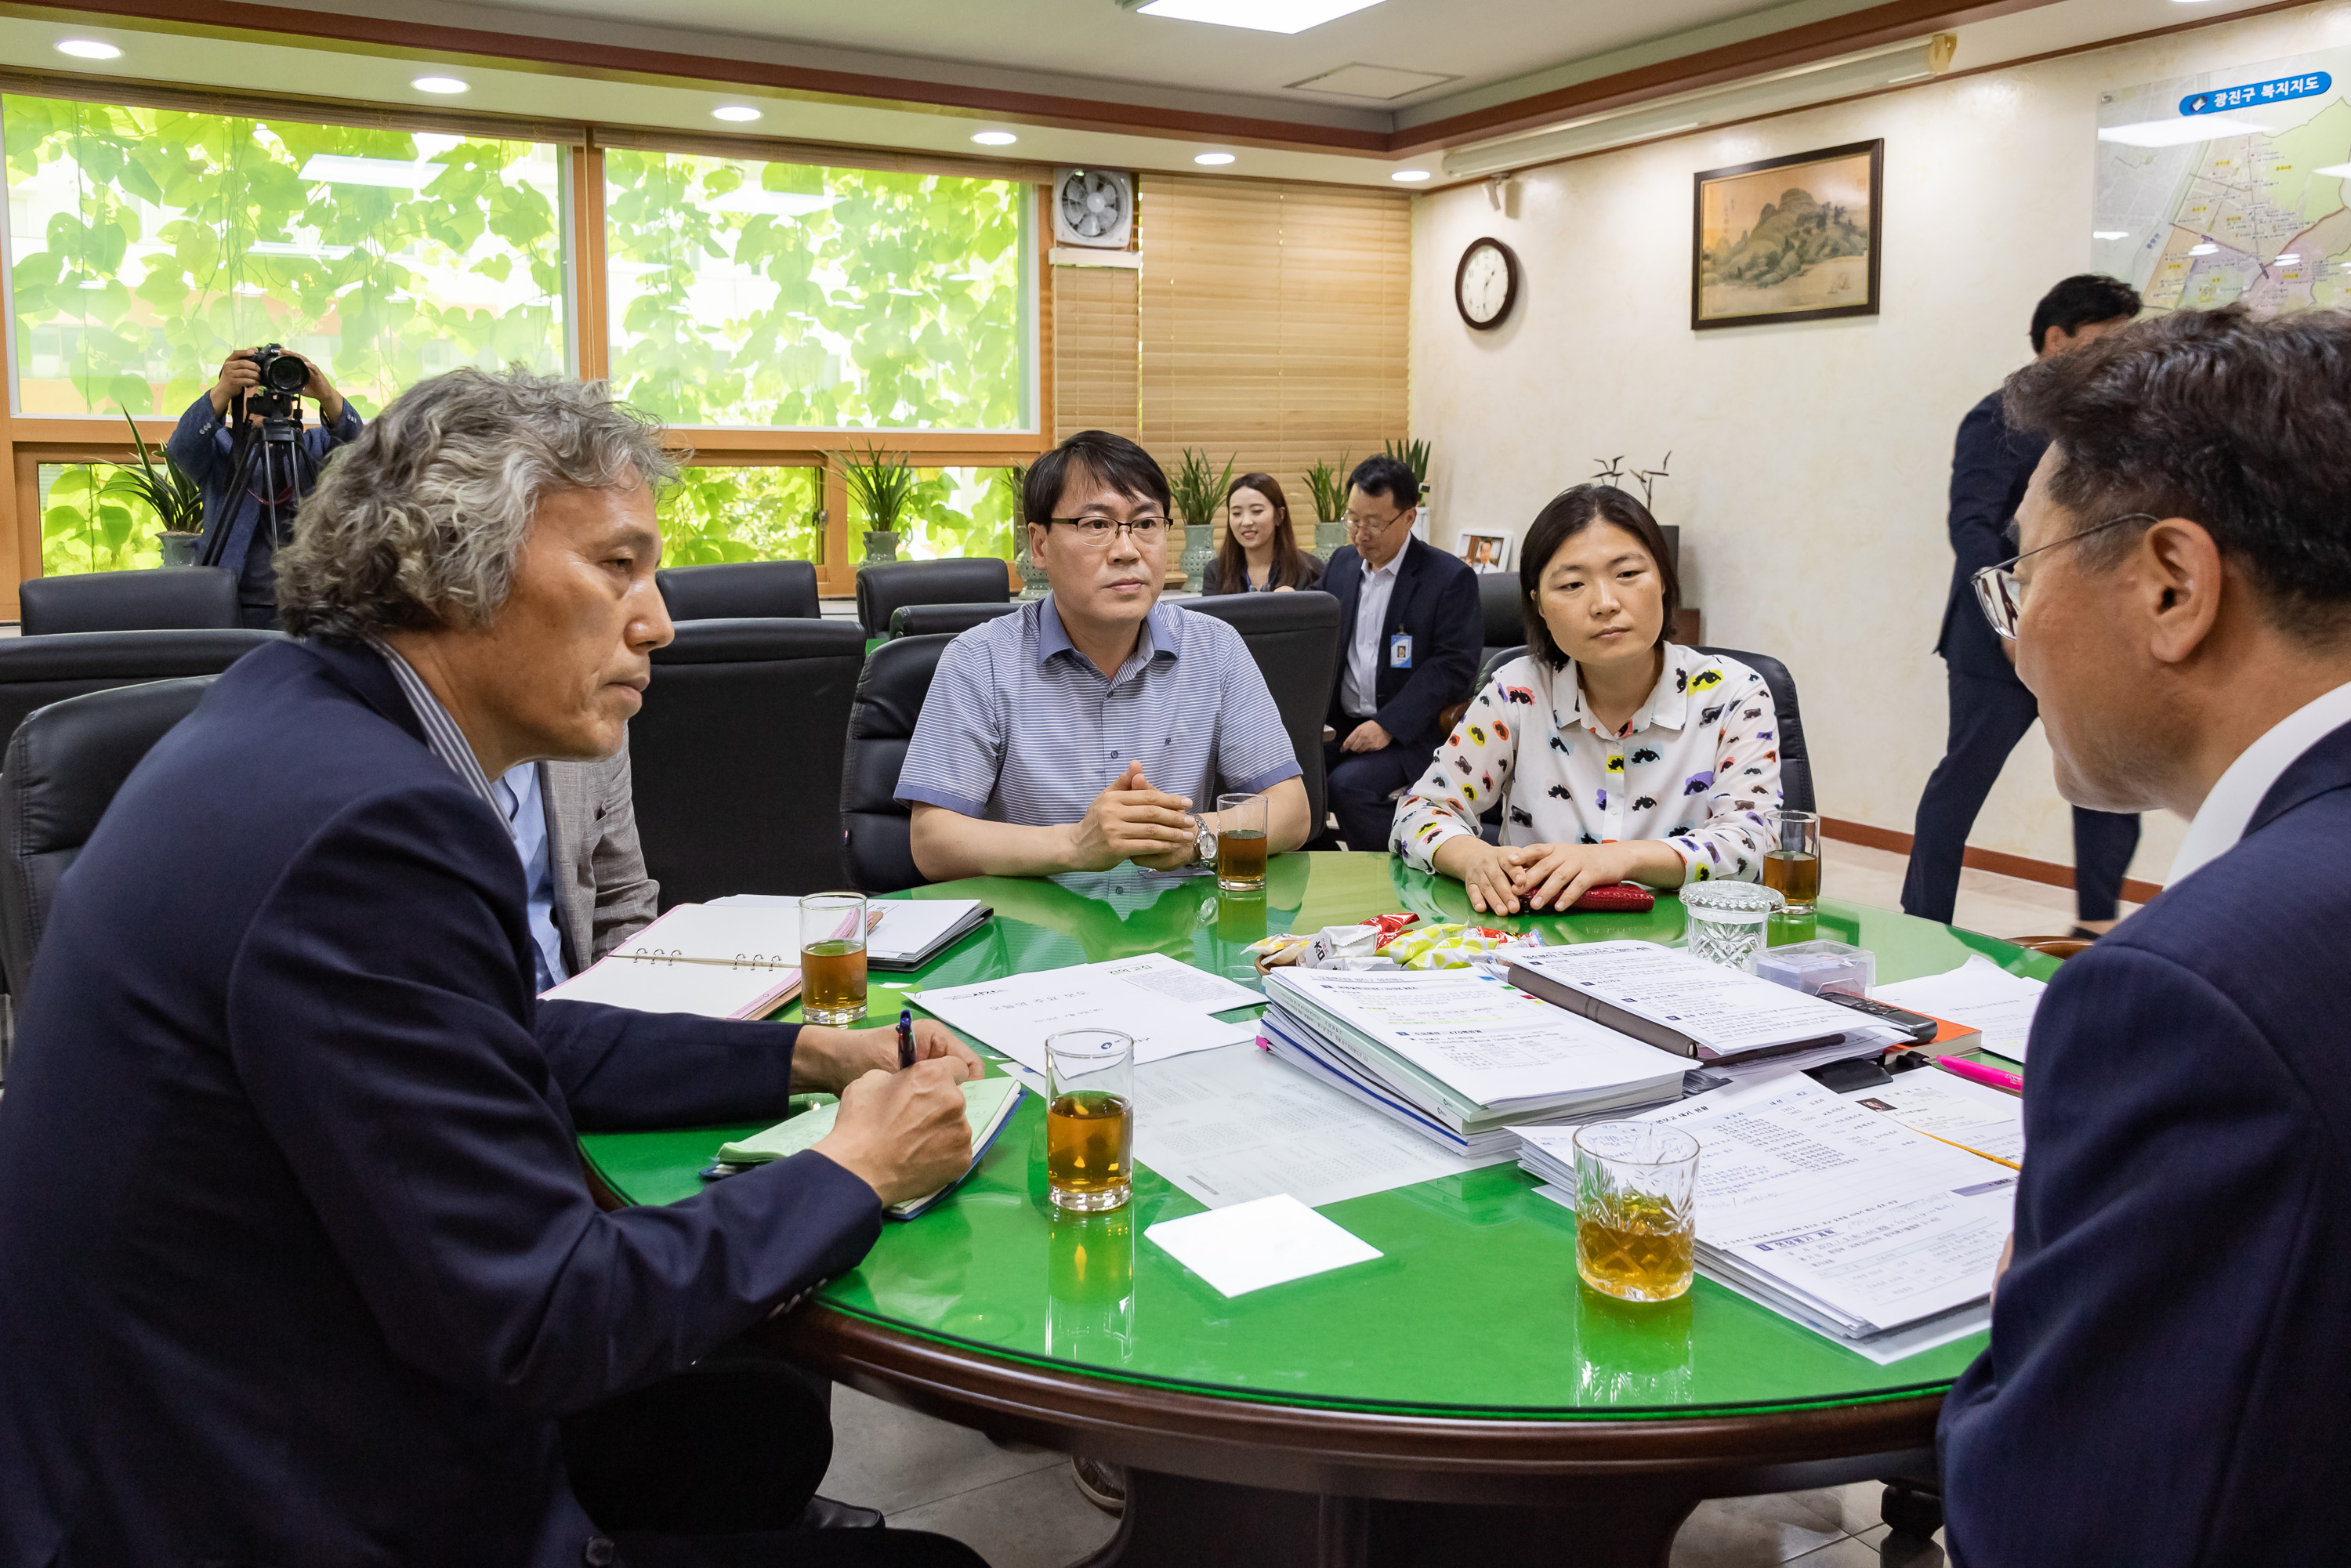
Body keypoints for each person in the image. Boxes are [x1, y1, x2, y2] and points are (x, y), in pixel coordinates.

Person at [0, 366, 993, 1568]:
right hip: (255, 1500)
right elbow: (548, 1318)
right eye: (617, 566)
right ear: (446, 561)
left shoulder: (292, 719)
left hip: (216, 1407)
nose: (660, 621)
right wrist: (856, 1165)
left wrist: (809, 1054)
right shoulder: (373, 830)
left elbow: (508, 1038)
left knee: (756, 1418)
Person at [1936, 305, 2351, 1566]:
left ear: (2173, 584)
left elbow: (2064, 1513)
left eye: (2026, 575)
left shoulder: (2195, 992)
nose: (2014, 636)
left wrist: (2029, 1298)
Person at [898, 429, 1311, 882]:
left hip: (1176, 937)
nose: (1128, 550)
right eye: (1097, 525)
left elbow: (1291, 812)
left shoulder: (1216, 648)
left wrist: (1193, 838)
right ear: (1039, 545)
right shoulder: (979, 661)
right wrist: (1076, 845)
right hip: (1035, 942)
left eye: (1147, 524)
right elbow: (932, 841)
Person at [1393, 484, 1778, 912]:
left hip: (1684, 946)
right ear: (1538, 604)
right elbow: (1419, 812)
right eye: (1573, 584)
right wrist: (1475, 858)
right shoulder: (1517, 691)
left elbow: (1754, 841)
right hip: (1537, 946)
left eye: (1628, 574)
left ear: (1665, 582)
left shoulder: (1733, 694)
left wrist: (1617, 858)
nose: (1605, 603)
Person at [1903, 274, 2145, 934]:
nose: (2115, 354)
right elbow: (1973, 528)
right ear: (2056, 339)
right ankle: (1922, 922)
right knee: (1963, 782)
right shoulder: (1999, 417)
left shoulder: (2115, 421)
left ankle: (2095, 929)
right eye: (2103, 340)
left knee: (2107, 783)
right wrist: (2012, 622)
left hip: (2090, 634)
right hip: (1996, 641)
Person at [1320, 452, 1480, 851]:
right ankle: (1320, 878)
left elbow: (1453, 667)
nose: (1360, 534)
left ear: (1409, 517)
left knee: (1348, 786)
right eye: (1353, 520)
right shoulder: (1340, 565)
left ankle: (1394, 874)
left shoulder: (1447, 578)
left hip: (1411, 734)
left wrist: (1388, 725)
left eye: (1374, 523)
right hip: (1341, 727)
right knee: (1287, 779)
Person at [166, 346, 365, 629]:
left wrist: (328, 396)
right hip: (230, 603)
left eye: (276, 385)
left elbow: (365, 452)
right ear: (237, 397)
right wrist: (222, 390)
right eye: (255, 386)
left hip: (307, 602)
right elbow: (181, 449)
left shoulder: (316, 446)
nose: (269, 395)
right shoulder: (221, 447)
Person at [502, 748, 658, 990]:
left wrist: (613, 1006)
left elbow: (620, 900)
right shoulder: (429, 756)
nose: (634, 707)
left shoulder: (600, 725)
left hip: (575, 999)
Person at [1202, 471, 1322, 594]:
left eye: (1257, 511)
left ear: (1279, 516)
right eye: (1236, 513)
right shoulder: (1215, 572)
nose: (1246, 522)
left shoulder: (1311, 570)